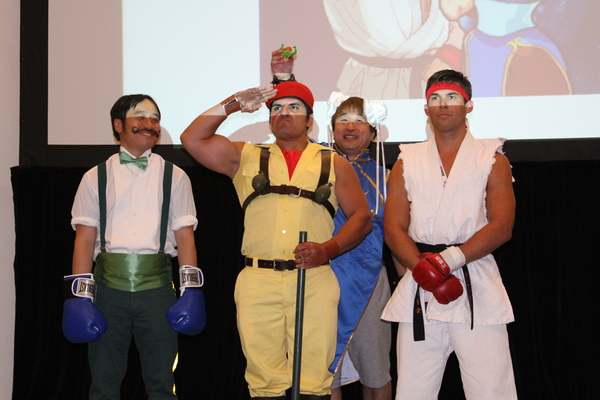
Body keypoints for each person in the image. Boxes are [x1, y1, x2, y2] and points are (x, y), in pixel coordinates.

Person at [180, 80, 372, 399]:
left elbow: (362, 219)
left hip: (313, 280)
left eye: (294, 107)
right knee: (264, 381)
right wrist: (234, 103)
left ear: (309, 120)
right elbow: (192, 138)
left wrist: (327, 250)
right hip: (258, 280)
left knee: (313, 380)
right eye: (277, 108)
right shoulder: (244, 156)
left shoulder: (333, 162)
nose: (284, 113)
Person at [381, 69, 518, 399]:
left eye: (452, 97)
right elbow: (393, 228)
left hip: (475, 278)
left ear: (468, 105)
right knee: (413, 391)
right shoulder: (406, 161)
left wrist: (449, 261)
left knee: (491, 390)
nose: (443, 104)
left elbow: (502, 226)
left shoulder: (492, 158)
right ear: (425, 108)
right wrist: (422, 267)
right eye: (435, 98)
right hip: (421, 281)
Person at [270, 47, 398, 400]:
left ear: (373, 131)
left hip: (370, 280)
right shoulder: (316, 162)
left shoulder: (389, 177)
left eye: (359, 120)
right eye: (343, 119)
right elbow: (292, 122)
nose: (350, 126)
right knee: (326, 371)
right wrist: (284, 81)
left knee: (376, 369)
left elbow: (396, 233)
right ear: (330, 127)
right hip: (320, 273)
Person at [63, 94, 205, 399]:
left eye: (155, 118)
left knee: (162, 382)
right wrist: (79, 298)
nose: (149, 124)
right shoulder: (94, 177)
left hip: (157, 290)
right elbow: (84, 239)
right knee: (103, 381)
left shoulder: (176, 176)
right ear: (118, 125)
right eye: (140, 116)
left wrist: (191, 291)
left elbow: (185, 237)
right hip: (107, 290)